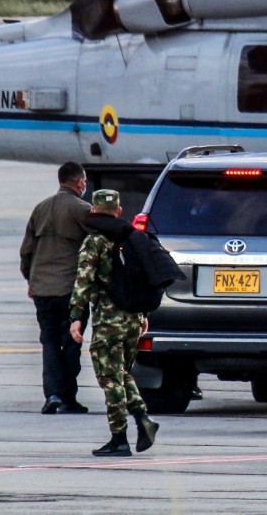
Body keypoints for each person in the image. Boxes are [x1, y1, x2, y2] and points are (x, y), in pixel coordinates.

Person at [69, 189, 158, 457]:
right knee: (123, 374)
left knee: (109, 379)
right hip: (133, 318)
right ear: (119, 212)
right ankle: (142, 418)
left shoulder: (94, 242)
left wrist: (75, 317)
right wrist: (142, 316)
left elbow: (83, 281)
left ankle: (119, 438)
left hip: (109, 320)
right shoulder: (132, 240)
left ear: (93, 211)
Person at [20, 161, 92, 415]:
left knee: (49, 342)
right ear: (80, 182)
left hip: (42, 289)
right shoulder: (83, 209)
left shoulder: (40, 208)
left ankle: (52, 395)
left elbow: (26, 250)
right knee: (71, 343)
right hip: (70, 289)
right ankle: (68, 397)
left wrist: (30, 280)